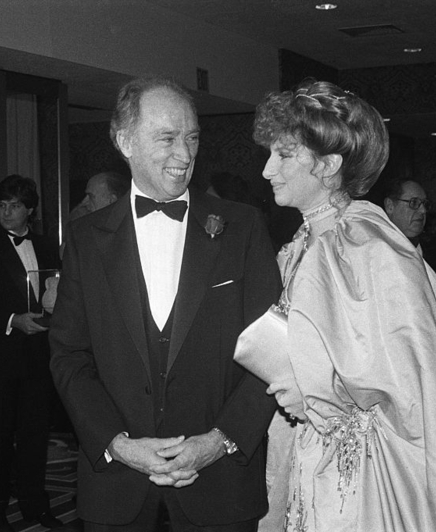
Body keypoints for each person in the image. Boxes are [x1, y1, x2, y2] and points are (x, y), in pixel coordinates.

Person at [239, 79, 436, 531]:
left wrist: (310, 384)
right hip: (313, 448)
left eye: (284, 155)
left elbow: (409, 374)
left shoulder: (367, 241)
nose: (268, 169)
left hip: (371, 469)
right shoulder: (302, 242)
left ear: (328, 165)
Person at [49, 77, 281, 531]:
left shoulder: (244, 227)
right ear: (124, 141)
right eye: (167, 138)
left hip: (219, 483)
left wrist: (219, 441)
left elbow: (272, 353)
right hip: (116, 484)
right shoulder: (84, 239)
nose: (185, 155)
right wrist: (117, 443)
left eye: (192, 137)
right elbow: (69, 356)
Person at [0, 175, 62, 532]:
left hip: (38, 355)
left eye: (14, 205)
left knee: (35, 437)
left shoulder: (48, 246)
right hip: (0, 357)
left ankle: (36, 504)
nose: (6, 212)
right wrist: (12, 320)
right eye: (2, 205)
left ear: (30, 210)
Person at [383, 179, 436, 316]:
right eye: (414, 203)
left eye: (425, 204)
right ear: (390, 206)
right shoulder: (378, 253)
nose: (422, 210)